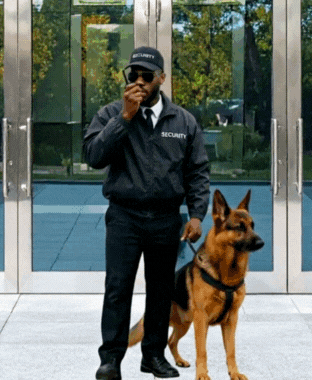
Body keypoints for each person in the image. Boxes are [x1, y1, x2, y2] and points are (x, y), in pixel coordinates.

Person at [84, 46, 210, 379]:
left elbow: (197, 171)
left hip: (167, 219)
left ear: (161, 79)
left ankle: (152, 356)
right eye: (133, 74)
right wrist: (124, 117)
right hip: (125, 216)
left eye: (147, 75)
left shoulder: (183, 121)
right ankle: (110, 358)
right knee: (118, 288)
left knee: (160, 291)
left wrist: (197, 215)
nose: (139, 81)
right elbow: (94, 156)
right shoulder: (111, 113)